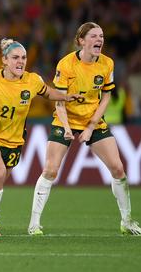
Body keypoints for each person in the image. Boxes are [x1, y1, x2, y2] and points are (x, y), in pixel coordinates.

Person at [28, 22, 141, 236]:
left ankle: (126, 221)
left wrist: (90, 127)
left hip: (93, 121)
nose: (100, 40)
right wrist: (67, 128)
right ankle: (34, 223)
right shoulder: (66, 64)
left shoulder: (107, 63)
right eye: (94, 36)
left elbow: (106, 95)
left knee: (118, 169)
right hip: (65, 119)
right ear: (81, 41)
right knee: (50, 170)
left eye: (101, 36)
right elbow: (59, 100)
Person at [0, 38, 81, 237]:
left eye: (23, 58)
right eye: (15, 57)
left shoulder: (32, 80)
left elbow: (48, 93)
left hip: (15, 140)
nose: (20, 61)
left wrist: (66, 97)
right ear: (5, 60)